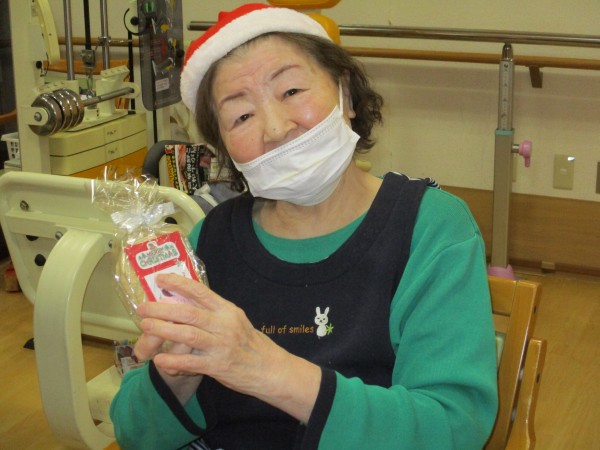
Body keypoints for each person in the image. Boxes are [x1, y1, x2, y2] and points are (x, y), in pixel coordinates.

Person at [110, 4, 498, 449]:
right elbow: (133, 433)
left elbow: (453, 428)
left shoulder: (430, 229)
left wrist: (266, 368)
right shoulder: (211, 240)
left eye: (291, 90)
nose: (276, 129)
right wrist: (177, 376)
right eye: (241, 116)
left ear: (345, 94)